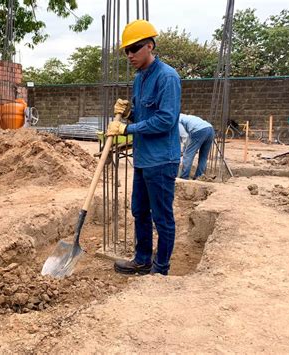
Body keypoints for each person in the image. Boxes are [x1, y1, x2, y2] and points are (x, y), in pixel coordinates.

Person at [106, 19, 181, 276]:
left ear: (149, 45)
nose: (130, 55)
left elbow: (166, 119)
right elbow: (143, 115)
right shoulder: (139, 79)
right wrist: (129, 114)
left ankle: (160, 269)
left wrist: (127, 129)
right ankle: (142, 259)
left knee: (162, 217)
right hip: (142, 159)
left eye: (134, 48)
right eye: (126, 50)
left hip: (161, 160)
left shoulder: (167, 77)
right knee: (139, 211)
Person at [178, 113, 215, 180]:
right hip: (210, 129)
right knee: (203, 157)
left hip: (199, 131)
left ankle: (184, 177)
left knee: (188, 155)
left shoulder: (177, 120)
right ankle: (199, 176)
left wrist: (184, 151)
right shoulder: (186, 117)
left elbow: (185, 137)